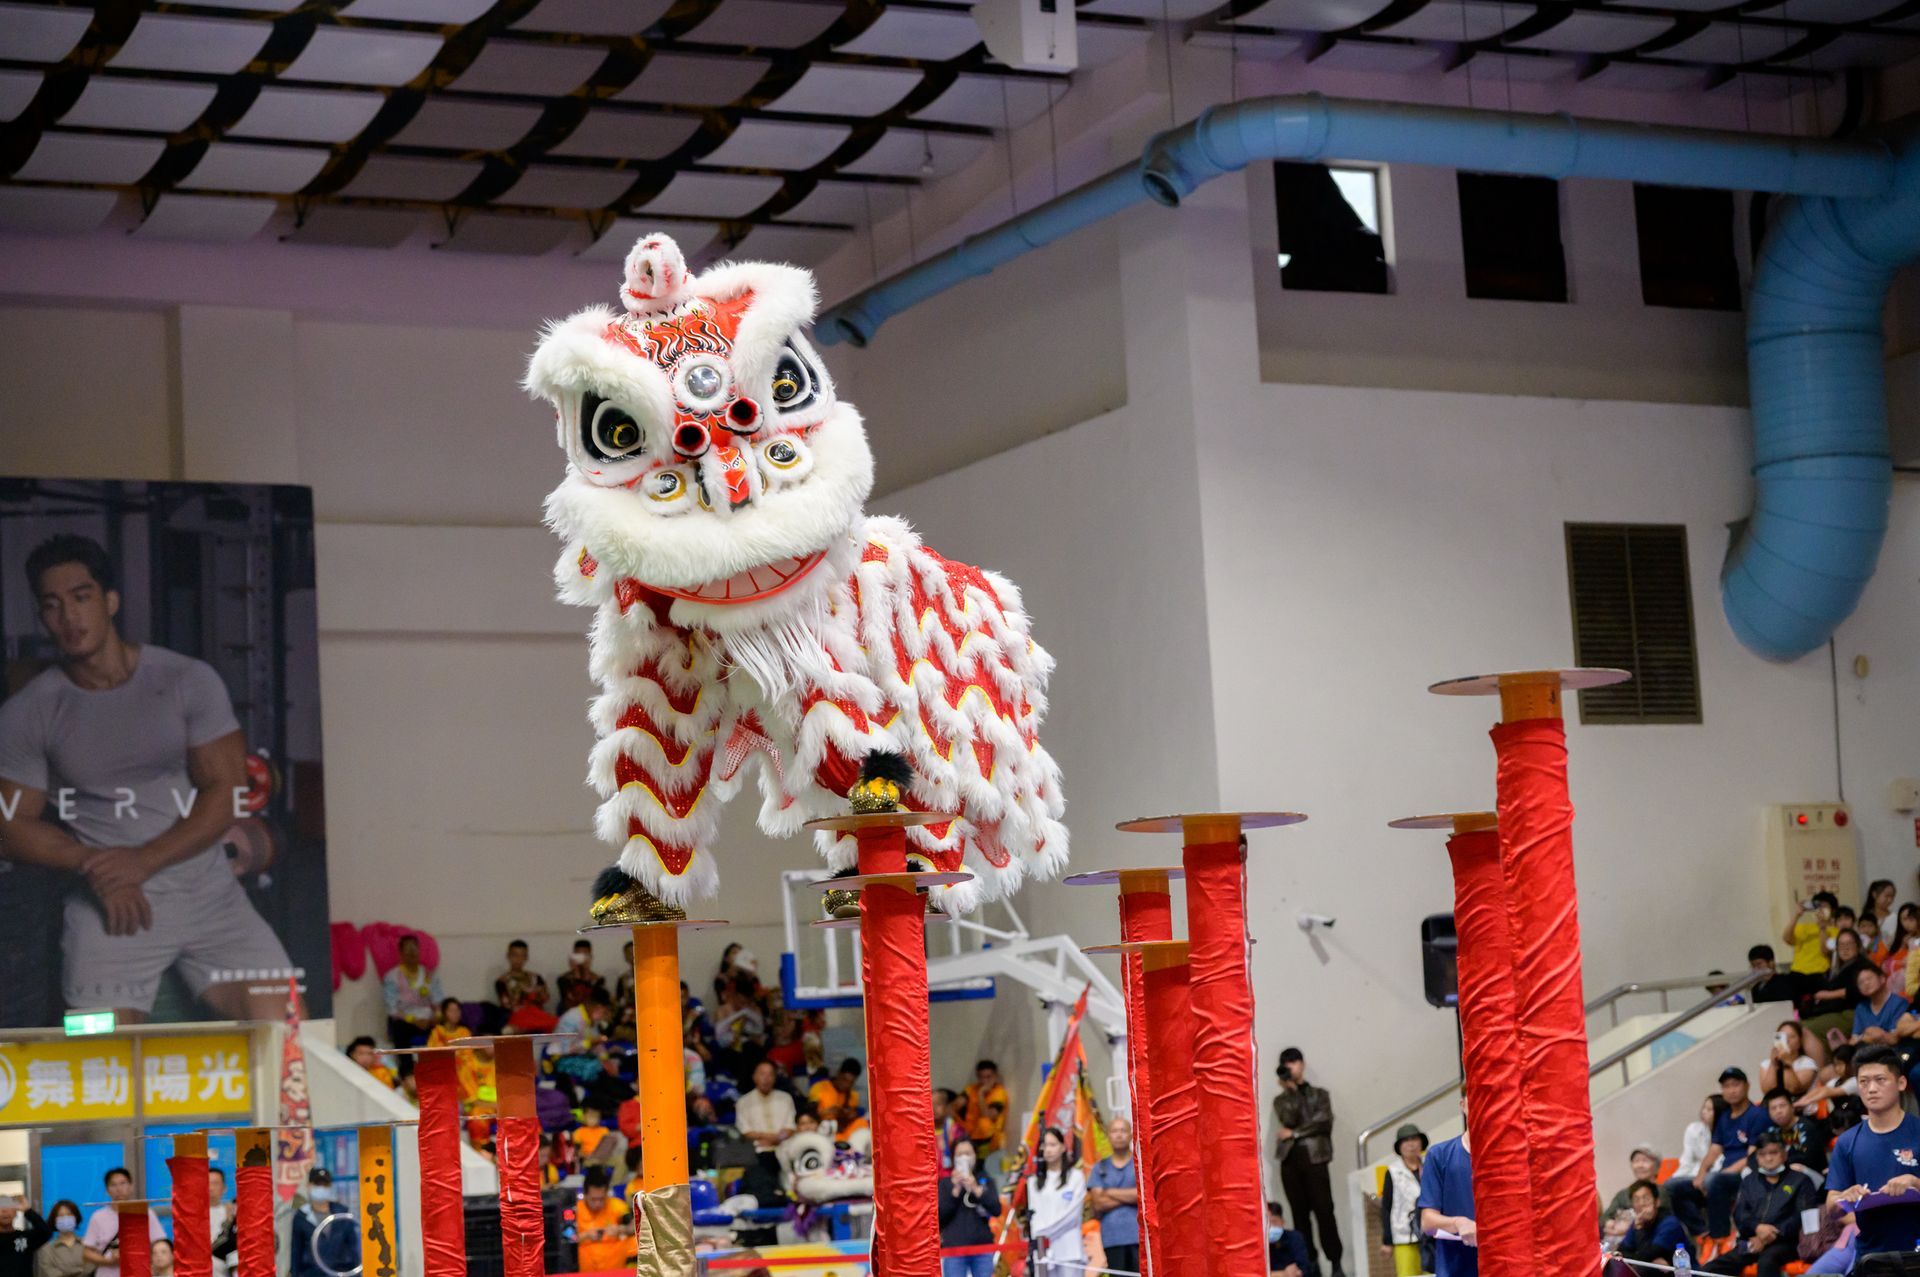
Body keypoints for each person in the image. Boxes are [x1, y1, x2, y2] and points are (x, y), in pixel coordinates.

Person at [0, 534, 297, 1023]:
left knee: (286, 1030)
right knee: (95, 1048)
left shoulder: (186, 680)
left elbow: (228, 793)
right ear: (41, 616)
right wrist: (97, 867)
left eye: (81, 597)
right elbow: (10, 827)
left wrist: (143, 860)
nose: (69, 617)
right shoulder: (30, 711)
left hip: (209, 895)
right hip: (110, 907)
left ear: (111, 601)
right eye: (52, 605)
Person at [1825, 1044, 1920, 1274]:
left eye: (1880, 1080)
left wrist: (1915, 1183)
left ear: (1901, 1083)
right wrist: (1845, 1197)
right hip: (1871, 1258)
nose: (1871, 1089)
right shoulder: (1847, 1142)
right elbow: (1831, 1207)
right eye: (1864, 1082)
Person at [1671, 1067, 1772, 1240]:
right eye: (1726, 1086)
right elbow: (1714, 1149)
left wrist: (1722, 1174)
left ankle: (1720, 1237)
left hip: (1747, 1174)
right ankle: (1701, 1232)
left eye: (1735, 1085)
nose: (1731, 1090)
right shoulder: (1724, 1117)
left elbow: (1753, 1156)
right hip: (1721, 1177)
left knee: (1715, 1181)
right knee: (1674, 1187)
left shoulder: (1758, 1115)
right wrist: (1701, 1175)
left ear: (1747, 1086)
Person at [1700, 1133, 1815, 1277]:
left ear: (1784, 1154)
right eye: (1762, 1154)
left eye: (1773, 1152)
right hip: (1752, 1240)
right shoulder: (1749, 1181)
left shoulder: (1801, 1181)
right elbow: (1740, 1214)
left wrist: (1773, 1234)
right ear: (1757, 1158)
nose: (1768, 1158)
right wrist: (1757, 1228)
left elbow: (1804, 1216)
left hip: (1788, 1243)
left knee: (1767, 1261)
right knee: (1712, 1268)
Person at [1274, 1047, 1344, 1277]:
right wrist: (1291, 1091)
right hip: (1290, 1162)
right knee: (1300, 1215)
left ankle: (1336, 1263)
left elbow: (1324, 1123)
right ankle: (1310, 1265)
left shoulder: (1320, 1094)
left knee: (1325, 1212)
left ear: (1302, 1064)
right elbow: (1289, 1118)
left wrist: (1294, 1134)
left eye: (1293, 1062)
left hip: (1316, 1159)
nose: (1290, 1067)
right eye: (1286, 1064)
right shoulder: (1281, 1100)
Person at [1417, 1098, 1475, 1277]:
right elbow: (1427, 1222)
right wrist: (1458, 1223)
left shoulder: (1513, 1157)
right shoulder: (1440, 1155)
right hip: (1456, 1266)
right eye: (1474, 1099)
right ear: (1463, 1105)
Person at [938, 1137, 1002, 1277]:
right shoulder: (945, 1184)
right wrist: (955, 1190)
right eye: (960, 1154)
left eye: (967, 1153)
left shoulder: (984, 1180)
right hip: (953, 1251)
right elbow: (939, 1218)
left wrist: (976, 1189)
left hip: (982, 1249)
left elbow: (996, 1209)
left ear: (975, 1156)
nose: (964, 1158)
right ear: (953, 1158)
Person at [82, 1168, 163, 1277]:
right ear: (107, 1190)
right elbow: (86, 1252)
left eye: (123, 1183)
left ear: (131, 1186)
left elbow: (160, 1243)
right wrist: (109, 1261)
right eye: (113, 1185)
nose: (119, 1189)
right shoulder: (98, 1217)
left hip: (139, 1272)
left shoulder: (145, 1213)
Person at [1026, 1128, 1086, 1277]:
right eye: (1045, 1145)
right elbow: (1034, 1216)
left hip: (1070, 1249)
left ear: (1063, 1147)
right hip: (1044, 1251)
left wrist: (1043, 1232)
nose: (1048, 1150)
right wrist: (1039, 1237)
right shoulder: (1033, 1182)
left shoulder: (1076, 1177)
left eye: (1053, 1145)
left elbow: (1072, 1216)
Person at [1088, 1116, 1140, 1276]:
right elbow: (1098, 1203)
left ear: (1131, 1134)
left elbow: (1141, 1196)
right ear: (1108, 1135)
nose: (1119, 1135)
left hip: (1139, 1236)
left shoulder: (1139, 1163)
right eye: (1115, 1131)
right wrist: (1129, 1196)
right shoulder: (1099, 1168)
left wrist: (1108, 1192)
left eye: (1123, 1130)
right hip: (1112, 1238)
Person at [1379, 1124, 1428, 1277]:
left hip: (1430, 1235)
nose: (1411, 1144)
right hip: (1404, 1235)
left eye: (1414, 1139)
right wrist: (1387, 1240)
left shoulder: (1430, 1164)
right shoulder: (1393, 1171)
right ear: (1399, 1147)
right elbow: (1386, 1207)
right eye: (1405, 1141)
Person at [289, 1167, 356, 1277]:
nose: (321, 1188)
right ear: (309, 1186)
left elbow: (354, 1250)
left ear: (330, 1187)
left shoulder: (343, 1215)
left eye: (325, 1185)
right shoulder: (301, 1217)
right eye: (317, 1184)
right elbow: (296, 1253)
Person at [382, 933, 441, 1048]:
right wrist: (414, 1021)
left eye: (414, 948)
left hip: (428, 1019)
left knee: (447, 1026)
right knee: (399, 1029)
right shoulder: (392, 977)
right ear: (401, 953)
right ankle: (405, 1060)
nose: (412, 952)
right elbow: (391, 1009)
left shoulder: (429, 974)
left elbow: (437, 1001)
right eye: (407, 949)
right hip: (405, 1020)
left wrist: (436, 1016)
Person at [1619, 1178, 1693, 1265]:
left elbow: (1646, 1257)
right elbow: (1621, 1253)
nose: (1641, 1204)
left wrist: (1640, 1229)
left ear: (1657, 1202)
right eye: (1636, 1200)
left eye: (1646, 1198)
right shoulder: (1637, 1223)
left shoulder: (1670, 1223)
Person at [575, 1165, 634, 1273]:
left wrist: (621, 1229)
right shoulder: (575, 1210)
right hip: (586, 1270)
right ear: (585, 1194)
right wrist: (585, 1235)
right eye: (593, 1199)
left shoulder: (617, 1206)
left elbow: (635, 1227)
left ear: (607, 1194)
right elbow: (566, 1239)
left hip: (615, 1270)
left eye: (601, 1199)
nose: (597, 1204)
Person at [1763, 1086, 1831, 1179]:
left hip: (1813, 1176)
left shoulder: (1806, 1127)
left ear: (1792, 1107)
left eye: (1782, 1106)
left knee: (1795, 1168)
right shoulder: (1771, 1131)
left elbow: (1806, 1159)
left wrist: (1776, 1162)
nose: (1778, 1111)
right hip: (1783, 1173)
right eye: (1773, 1108)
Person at [736, 1060, 798, 1153]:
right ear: (754, 1077)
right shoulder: (743, 1102)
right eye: (762, 1074)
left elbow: (790, 1127)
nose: (766, 1078)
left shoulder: (785, 1098)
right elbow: (745, 1131)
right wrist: (769, 1138)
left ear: (775, 1078)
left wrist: (777, 1139)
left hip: (784, 1147)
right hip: (756, 1149)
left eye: (770, 1074)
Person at [494, 939, 555, 1033]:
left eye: (522, 955)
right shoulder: (502, 981)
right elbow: (507, 1005)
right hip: (517, 1015)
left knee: (554, 1021)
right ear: (508, 956)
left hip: (536, 1014)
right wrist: (524, 994)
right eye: (515, 955)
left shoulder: (535, 977)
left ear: (526, 957)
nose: (518, 959)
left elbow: (545, 998)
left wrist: (538, 993)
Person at [1602, 1145, 1673, 1223]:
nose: (1640, 1165)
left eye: (1645, 1161)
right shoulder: (1623, 1194)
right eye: (1636, 1161)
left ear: (1657, 1166)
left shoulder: (1666, 1192)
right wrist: (1609, 1223)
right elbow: (1604, 1219)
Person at [1850, 964, 1912, 1046]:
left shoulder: (1899, 1003)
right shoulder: (1861, 1008)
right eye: (1861, 982)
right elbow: (1853, 1041)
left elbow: (1894, 1039)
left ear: (1882, 979)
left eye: (1869, 978)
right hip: (1866, 1050)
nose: (1866, 983)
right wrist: (1868, 1036)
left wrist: (1878, 1034)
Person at [1761, 1020, 1822, 1097]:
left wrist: (1786, 1062)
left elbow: (1793, 1089)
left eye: (1791, 1037)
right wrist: (1773, 1063)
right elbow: (1768, 1092)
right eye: (1782, 1037)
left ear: (1799, 1042)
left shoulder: (1807, 1063)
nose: (1787, 1040)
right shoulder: (1766, 1064)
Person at [961, 1061, 1010, 1156]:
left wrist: (981, 1094)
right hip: (971, 1138)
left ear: (995, 1076)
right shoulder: (972, 1089)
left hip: (991, 1142)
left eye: (988, 1077)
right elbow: (953, 1107)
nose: (985, 1081)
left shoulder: (999, 1092)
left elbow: (988, 1115)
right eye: (981, 1077)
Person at [1678, 1094, 1729, 1179]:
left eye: (1709, 1110)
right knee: (1671, 1183)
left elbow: (1720, 1165)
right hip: (1693, 1174)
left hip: (1717, 1177)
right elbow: (1686, 1160)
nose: (1703, 1112)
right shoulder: (1694, 1130)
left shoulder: (1728, 1135)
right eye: (1704, 1108)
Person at [810, 1059, 866, 1136]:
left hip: (842, 1133)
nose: (846, 1085)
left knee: (862, 1122)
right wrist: (825, 1113)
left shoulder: (853, 1095)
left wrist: (852, 1115)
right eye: (844, 1080)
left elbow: (852, 1118)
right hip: (822, 1130)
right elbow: (809, 1115)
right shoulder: (819, 1087)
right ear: (838, 1073)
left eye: (850, 1083)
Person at [31, 1201, 84, 1277]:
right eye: (61, 1215)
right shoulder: (46, 1250)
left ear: (76, 1217)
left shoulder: (87, 1245)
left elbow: (92, 1269)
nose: (65, 1218)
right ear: (54, 1220)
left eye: (69, 1214)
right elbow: (49, 1273)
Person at [0, 1195, 49, 1277]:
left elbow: (45, 1231)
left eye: (8, 1206)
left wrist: (28, 1211)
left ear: (16, 1211)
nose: (4, 1210)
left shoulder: (25, 1237)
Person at [556, 940, 609, 1013]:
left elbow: (593, 1001)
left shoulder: (598, 979)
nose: (581, 958)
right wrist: (576, 973)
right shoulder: (563, 979)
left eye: (584, 955)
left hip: (591, 1013)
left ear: (590, 957)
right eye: (578, 955)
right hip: (569, 1013)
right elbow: (567, 1002)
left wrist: (586, 972)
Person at [1267, 1200, 1315, 1277]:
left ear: (1282, 1221)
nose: (1271, 1227)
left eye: (1274, 1221)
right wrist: (1283, 1274)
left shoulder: (1295, 1238)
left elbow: (1304, 1268)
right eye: (1267, 1224)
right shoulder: (1262, 1246)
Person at [208, 1166, 236, 1277]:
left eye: (215, 1183)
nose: (210, 1188)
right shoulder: (193, 1216)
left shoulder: (230, 1213)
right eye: (207, 1183)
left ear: (224, 1188)